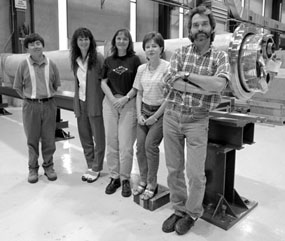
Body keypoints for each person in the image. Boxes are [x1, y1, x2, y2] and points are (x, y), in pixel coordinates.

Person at [161, 5, 230, 235]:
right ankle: (179, 209)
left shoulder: (219, 56)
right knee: (173, 169)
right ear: (190, 29)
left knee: (195, 173)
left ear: (211, 28)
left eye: (204, 24)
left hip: (197, 120)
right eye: (195, 25)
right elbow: (170, 80)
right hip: (171, 115)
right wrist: (203, 84)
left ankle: (192, 213)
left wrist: (188, 76)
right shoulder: (180, 53)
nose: (200, 28)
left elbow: (219, 85)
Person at [13, 33, 61, 183]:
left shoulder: (51, 64)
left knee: (48, 139)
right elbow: (18, 87)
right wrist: (29, 98)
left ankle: (48, 166)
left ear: (43, 45)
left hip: (49, 105)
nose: (35, 46)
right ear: (27, 48)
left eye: (38, 43)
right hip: (31, 106)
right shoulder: (23, 65)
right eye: (32, 44)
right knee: (32, 139)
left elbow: (56, 85)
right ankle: (33, 169)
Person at [101, 29, 141, 197]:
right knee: (111, 142)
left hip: (128, 103)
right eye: (119, 38)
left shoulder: (134, 60)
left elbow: (138, 83)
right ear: (114, 41)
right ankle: (114, 177)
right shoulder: (109, 60)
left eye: (125, 39)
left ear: (129, 42)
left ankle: (125, 179)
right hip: (110, 103)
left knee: (125, 145)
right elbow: (103, 82)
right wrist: (112, 99)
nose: (122, 41)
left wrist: (125, 98)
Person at [132, 32, 169, 200]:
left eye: (154, 46)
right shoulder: (141, 69)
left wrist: (155, 117)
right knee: (139, 147)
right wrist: (139, 114)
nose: (151, 49)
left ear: (161, 48)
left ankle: (152, 183)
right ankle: (143, 179)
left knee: (150, 146)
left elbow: (170, 97)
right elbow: (139, 93)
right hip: (144, 111)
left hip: (160, 114)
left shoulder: (167, 67)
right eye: (148, 46)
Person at [70, 27, 105, 183]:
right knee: (84, 136)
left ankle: (97, 167)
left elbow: (105, 81)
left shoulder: (98, 58)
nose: (83, 42)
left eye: (86, 39)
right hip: (81, 102)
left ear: (90, 41)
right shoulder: (75, 61)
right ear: (76, 42)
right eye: (80, 39)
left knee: (98, 137)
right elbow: (77, 83)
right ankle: (90, 164)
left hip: (95, 102)